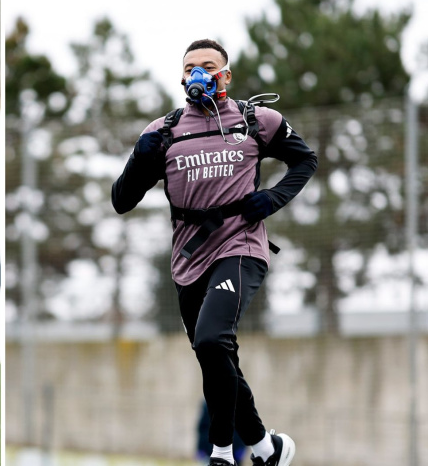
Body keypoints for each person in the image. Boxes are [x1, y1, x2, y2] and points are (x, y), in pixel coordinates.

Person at [111, 39, 317, 466]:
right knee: (216, 354)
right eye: (190, 67)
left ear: (226, 74)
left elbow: (305, 161)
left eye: (208, 65)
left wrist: (273, 198)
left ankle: (221, 452)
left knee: (210, 339)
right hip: (188, 260)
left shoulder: (256, 120)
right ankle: (265, 447)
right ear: (182, 77)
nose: (198, 74)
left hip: (241, 246)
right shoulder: (162, 132)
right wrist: (138, 158)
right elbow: (121, 200)